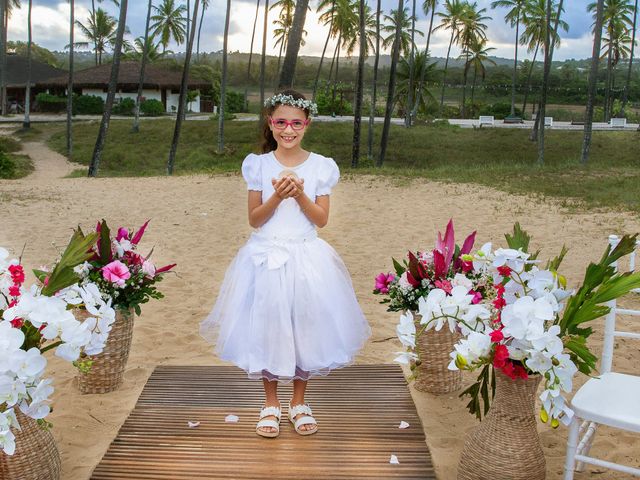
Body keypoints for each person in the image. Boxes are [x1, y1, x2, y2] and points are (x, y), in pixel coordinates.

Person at [200, 89, 371, 438]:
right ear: (270, 123)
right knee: (269, 324)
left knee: (304, 326)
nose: (288, 130)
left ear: (307, 124)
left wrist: (301, 193)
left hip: (307, 257)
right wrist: (278, 195)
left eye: (296, 123)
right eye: (281, 122)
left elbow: (321, 220)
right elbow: (255, 219)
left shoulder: (321, 166)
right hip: (266, 257)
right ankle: (270, 403)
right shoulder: (258, 165)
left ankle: (299, 401)